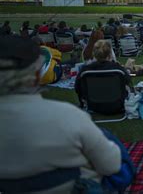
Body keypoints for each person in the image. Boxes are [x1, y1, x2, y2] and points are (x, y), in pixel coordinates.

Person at [0, 36, 121, 192]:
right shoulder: (69, 116)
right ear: (37, 76)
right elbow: (111, 165)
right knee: (105, 138)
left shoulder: (71, 111)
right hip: (74, 187)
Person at [75, 40, 131, 109]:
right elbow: (128, 81)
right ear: (110, 54)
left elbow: (77, 87)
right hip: (116, 105)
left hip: (92, 105)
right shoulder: (117, 68)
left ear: (94, 54)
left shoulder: (86, 69)